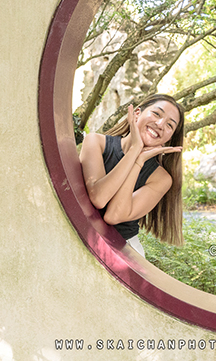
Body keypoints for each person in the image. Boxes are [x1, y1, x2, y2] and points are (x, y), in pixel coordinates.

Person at [79, 94, 185, 255]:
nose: (160, 124)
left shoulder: (161, 178)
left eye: (170, 125)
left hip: (124, 251)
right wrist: (135, 149)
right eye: (157, 114)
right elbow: (99, 198)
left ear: (169, 138)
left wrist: (139, 161)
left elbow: (113, 216)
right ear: (137, 114)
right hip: (80, 236)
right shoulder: (96, 142)